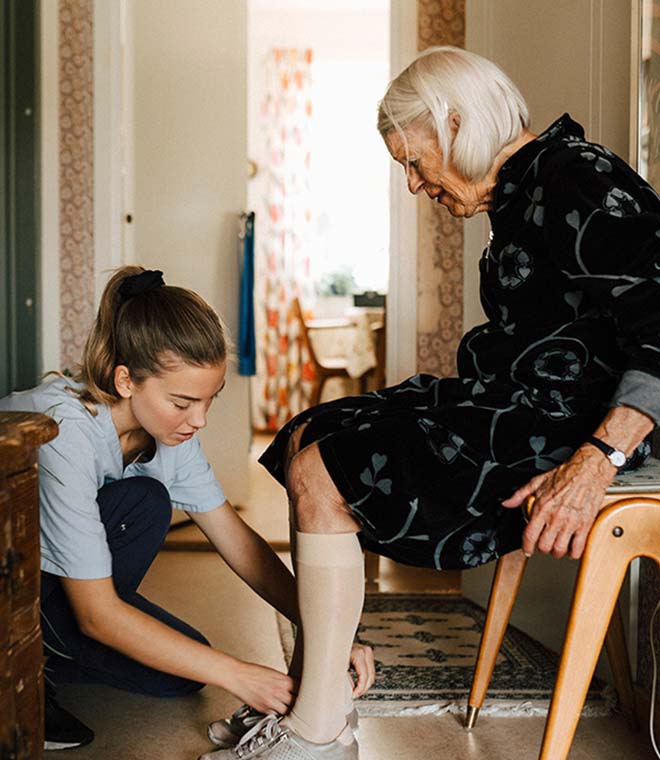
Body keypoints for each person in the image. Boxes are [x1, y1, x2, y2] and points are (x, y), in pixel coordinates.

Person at [200, 45, 660, 760]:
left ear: (455, 122)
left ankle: (316, 728)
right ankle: (319, 692)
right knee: (308, 434)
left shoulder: (577, 177)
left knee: (327, 468)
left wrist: (598, 460)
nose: (414, 185)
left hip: (571, 428)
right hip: (517, 405)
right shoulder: (526, 189)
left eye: (414, 162)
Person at [0, 266, 374, 751]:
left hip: (58, 592)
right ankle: (27, 666)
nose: (198, 420)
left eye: (208, 401)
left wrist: (325, 627)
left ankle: (53, 653)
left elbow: (236, 540)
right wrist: (241, 677)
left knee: (181, 677)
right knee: (144, 504)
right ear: (126, 380)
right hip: (12, 591)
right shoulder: (64, 433)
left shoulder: (168, 435)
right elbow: (96, 615)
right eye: (182, 402)